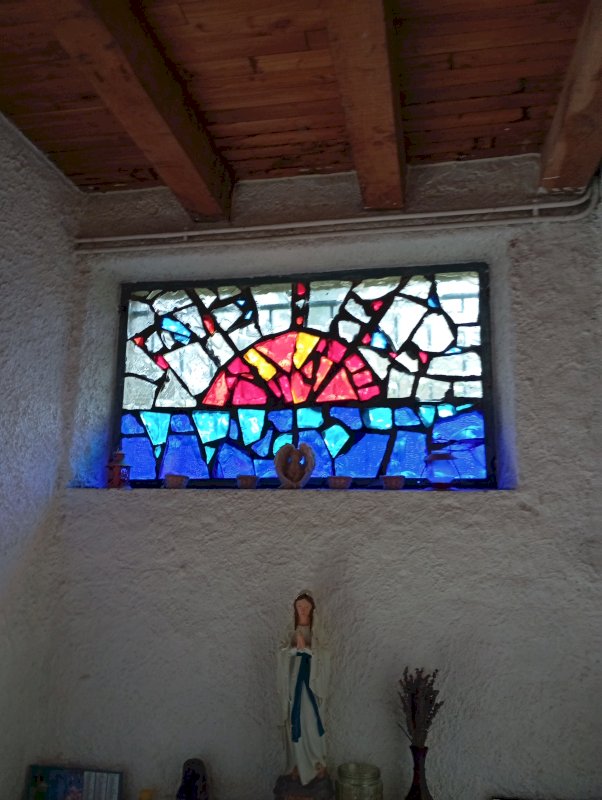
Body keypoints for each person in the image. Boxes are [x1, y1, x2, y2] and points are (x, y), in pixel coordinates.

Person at [277, 592, 330, 786]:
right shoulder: (290, 630)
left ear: (312, 609)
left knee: (311, 720)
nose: (303, 609)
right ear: (295, 608)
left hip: (311, 683)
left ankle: (317, 762)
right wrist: (293, 650)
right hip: (294, 682)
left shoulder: (317, 631)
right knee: (295, 719)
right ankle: (297, 764)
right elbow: (281, 653)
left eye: (306, 606)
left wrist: (307, 649)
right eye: (299, 606)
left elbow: (325, 654)